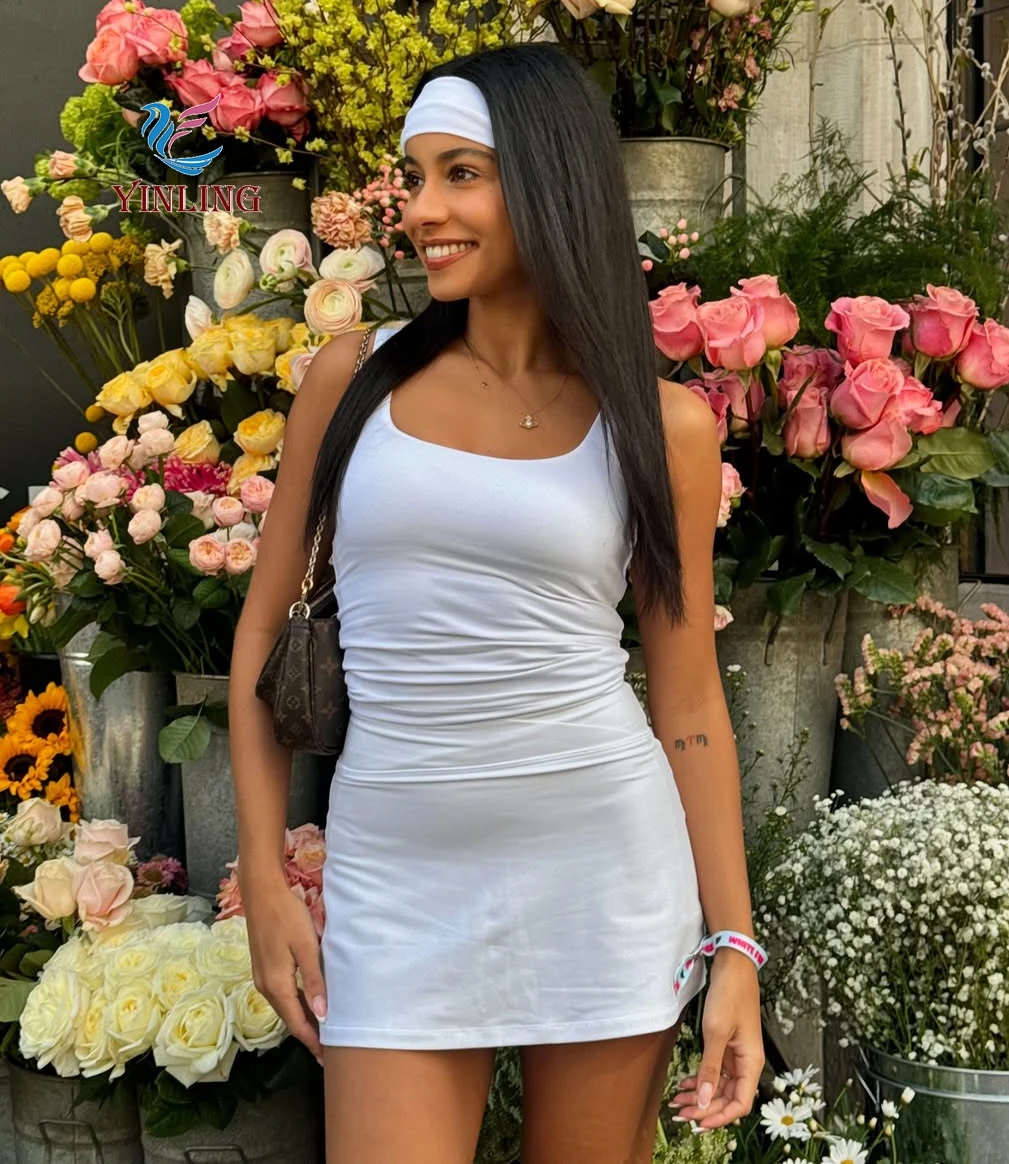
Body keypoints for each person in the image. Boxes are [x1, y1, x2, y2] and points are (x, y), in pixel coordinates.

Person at [230, 42, 764, 1164]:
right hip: (396, 884)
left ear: (547, 179)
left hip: (605, 876)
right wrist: (267, 880)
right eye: (415, 176)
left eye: (459, 173)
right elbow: (263, 633)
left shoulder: (662, 426)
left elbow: (687, 704)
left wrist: (735, 948)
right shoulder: (351, 379)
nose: (422, 209)